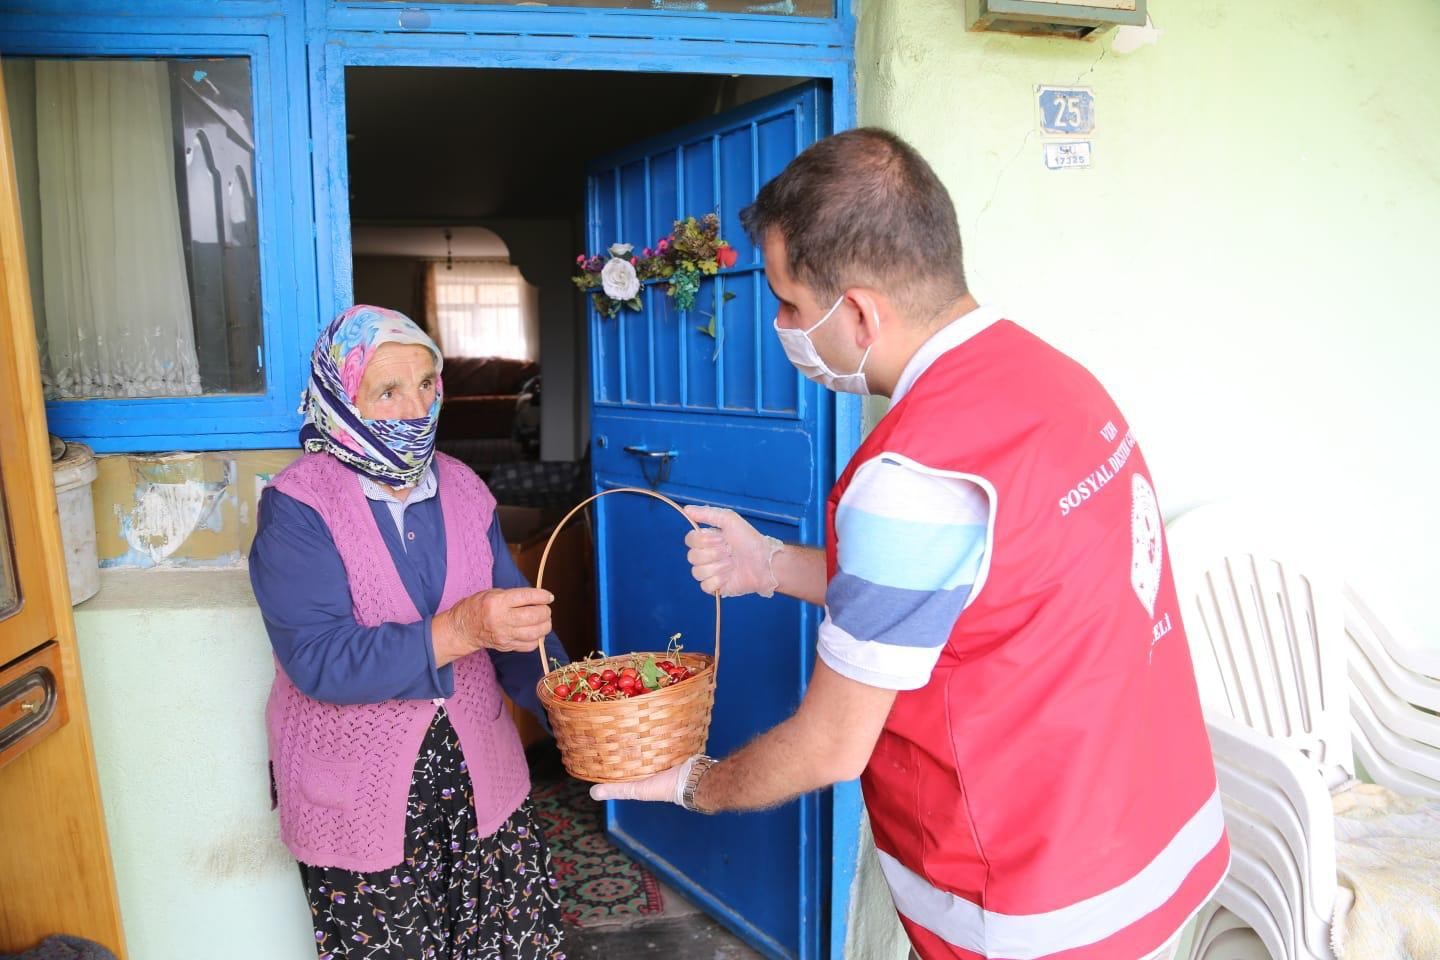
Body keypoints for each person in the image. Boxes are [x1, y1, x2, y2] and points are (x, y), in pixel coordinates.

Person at [591, 129, 1229, 960]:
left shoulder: (916, 471)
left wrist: (697, 785)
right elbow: (972, 590)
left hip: (1034, 901)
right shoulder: (1054, 377)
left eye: (789, 304)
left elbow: (830, 745)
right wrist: (769, 564)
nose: (782, 325)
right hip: (1151, 830)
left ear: (858, 312)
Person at [250, 305, 568, 960]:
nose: (416, 409)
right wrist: (462, 627)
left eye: (426, 384)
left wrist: (572, 709)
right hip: (361, 804)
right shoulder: (299, 505)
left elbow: (515, 627)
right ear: (341, 397)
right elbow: (320, 660)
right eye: (388, 391)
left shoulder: (465, 488)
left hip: (484, 787)